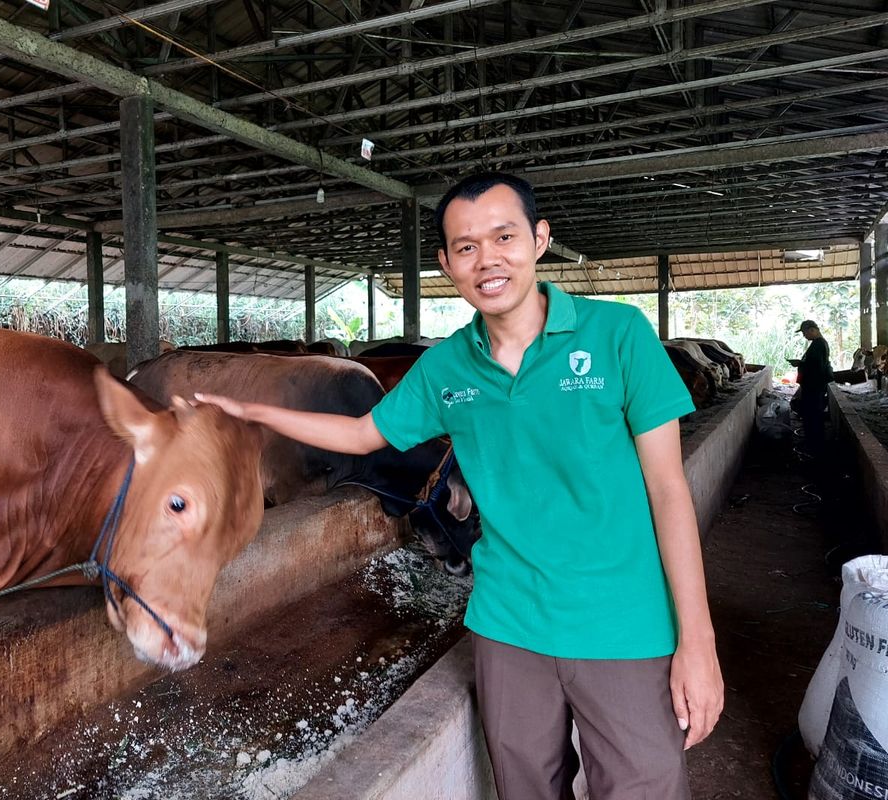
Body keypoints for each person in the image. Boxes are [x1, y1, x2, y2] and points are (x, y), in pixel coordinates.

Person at [197, 172, 723, 799]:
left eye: (504, 236)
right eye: (466, 247)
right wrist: (255, 413)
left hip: (625, 626)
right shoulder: (448, 364)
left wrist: (698, 642)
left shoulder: (618, 335)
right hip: (508, 628)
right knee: (525, 788)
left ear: (539, 239)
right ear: (447, 264)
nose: (488, 259)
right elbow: (365, 435)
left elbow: (669, 491)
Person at [792, 319, 833, 455]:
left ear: (812, 330)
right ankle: (814, 443)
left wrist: (801, 364)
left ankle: (814, 446)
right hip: (814, 386)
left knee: (813, 415)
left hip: (814, 387)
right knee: (812, 415)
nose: (804, 335)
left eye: (805, 332)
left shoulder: (819, 345)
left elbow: (817, 368)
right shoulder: (818, 344)